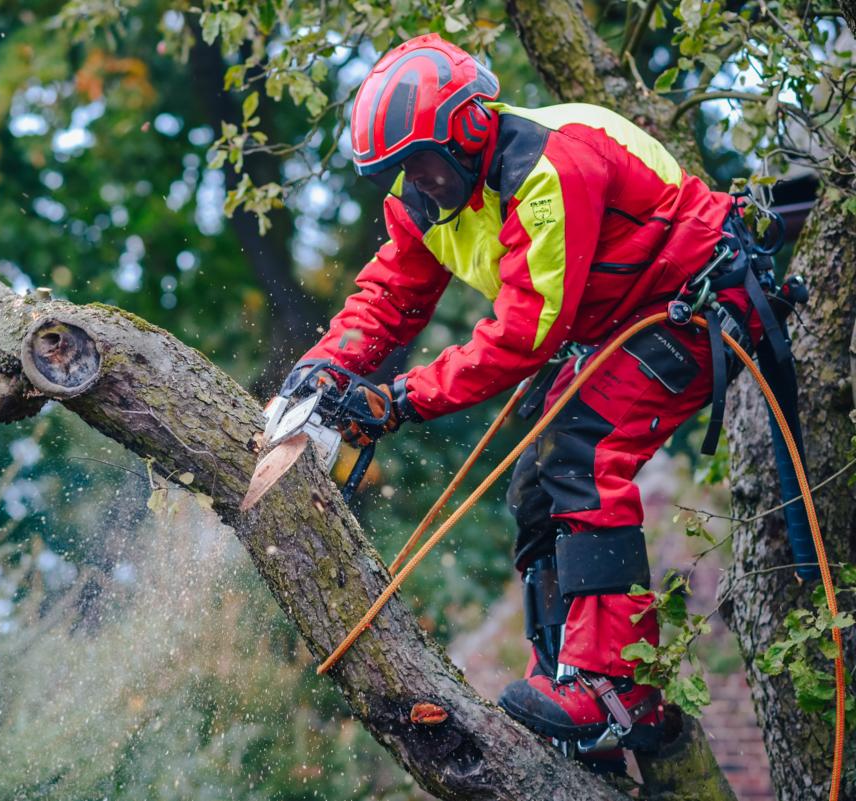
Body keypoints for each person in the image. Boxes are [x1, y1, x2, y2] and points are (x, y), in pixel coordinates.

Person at [277, 33, 776, 771]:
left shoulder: (549, 166)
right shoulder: (425, 196)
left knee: (584, 448)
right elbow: (390, 292)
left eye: (422, 162)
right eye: (401, 169)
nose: (417, 180)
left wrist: (397, 399)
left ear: (471, 126)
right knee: (537, 485)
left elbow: (523, 334)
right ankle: (564, 681)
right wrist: (323, 369)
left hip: (696, 302)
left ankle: (616, 688)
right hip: (609, 323)